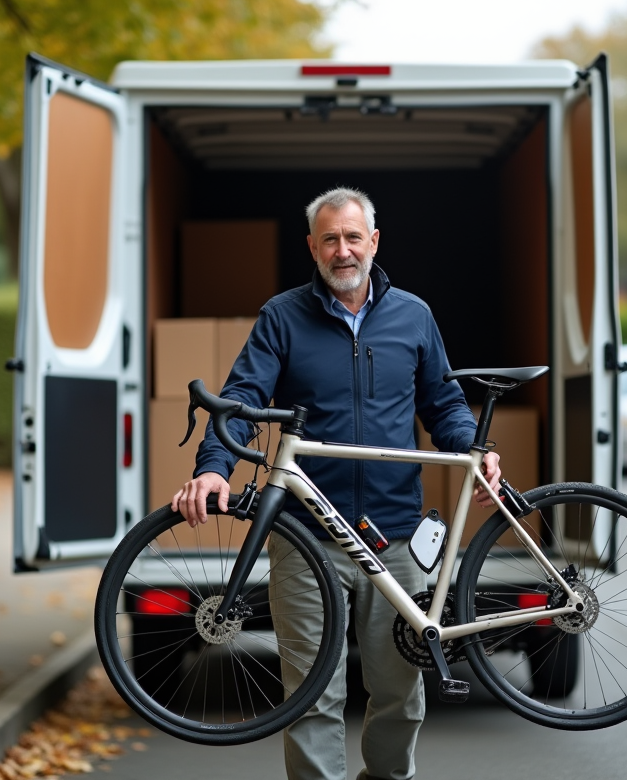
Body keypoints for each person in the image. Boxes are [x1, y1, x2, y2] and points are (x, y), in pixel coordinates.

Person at [172, 187, 501, 780]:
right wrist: (213, 469)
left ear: (373, 242)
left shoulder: (414, 316)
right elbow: (242, 398)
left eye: (353, 237)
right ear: (312, 247)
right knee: (312, 698)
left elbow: (444, 403)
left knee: (402, 695)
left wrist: (478, 452)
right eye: (330, 239)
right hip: (306, 539)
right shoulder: (282, 315)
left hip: (396, 535)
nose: (342, 251)